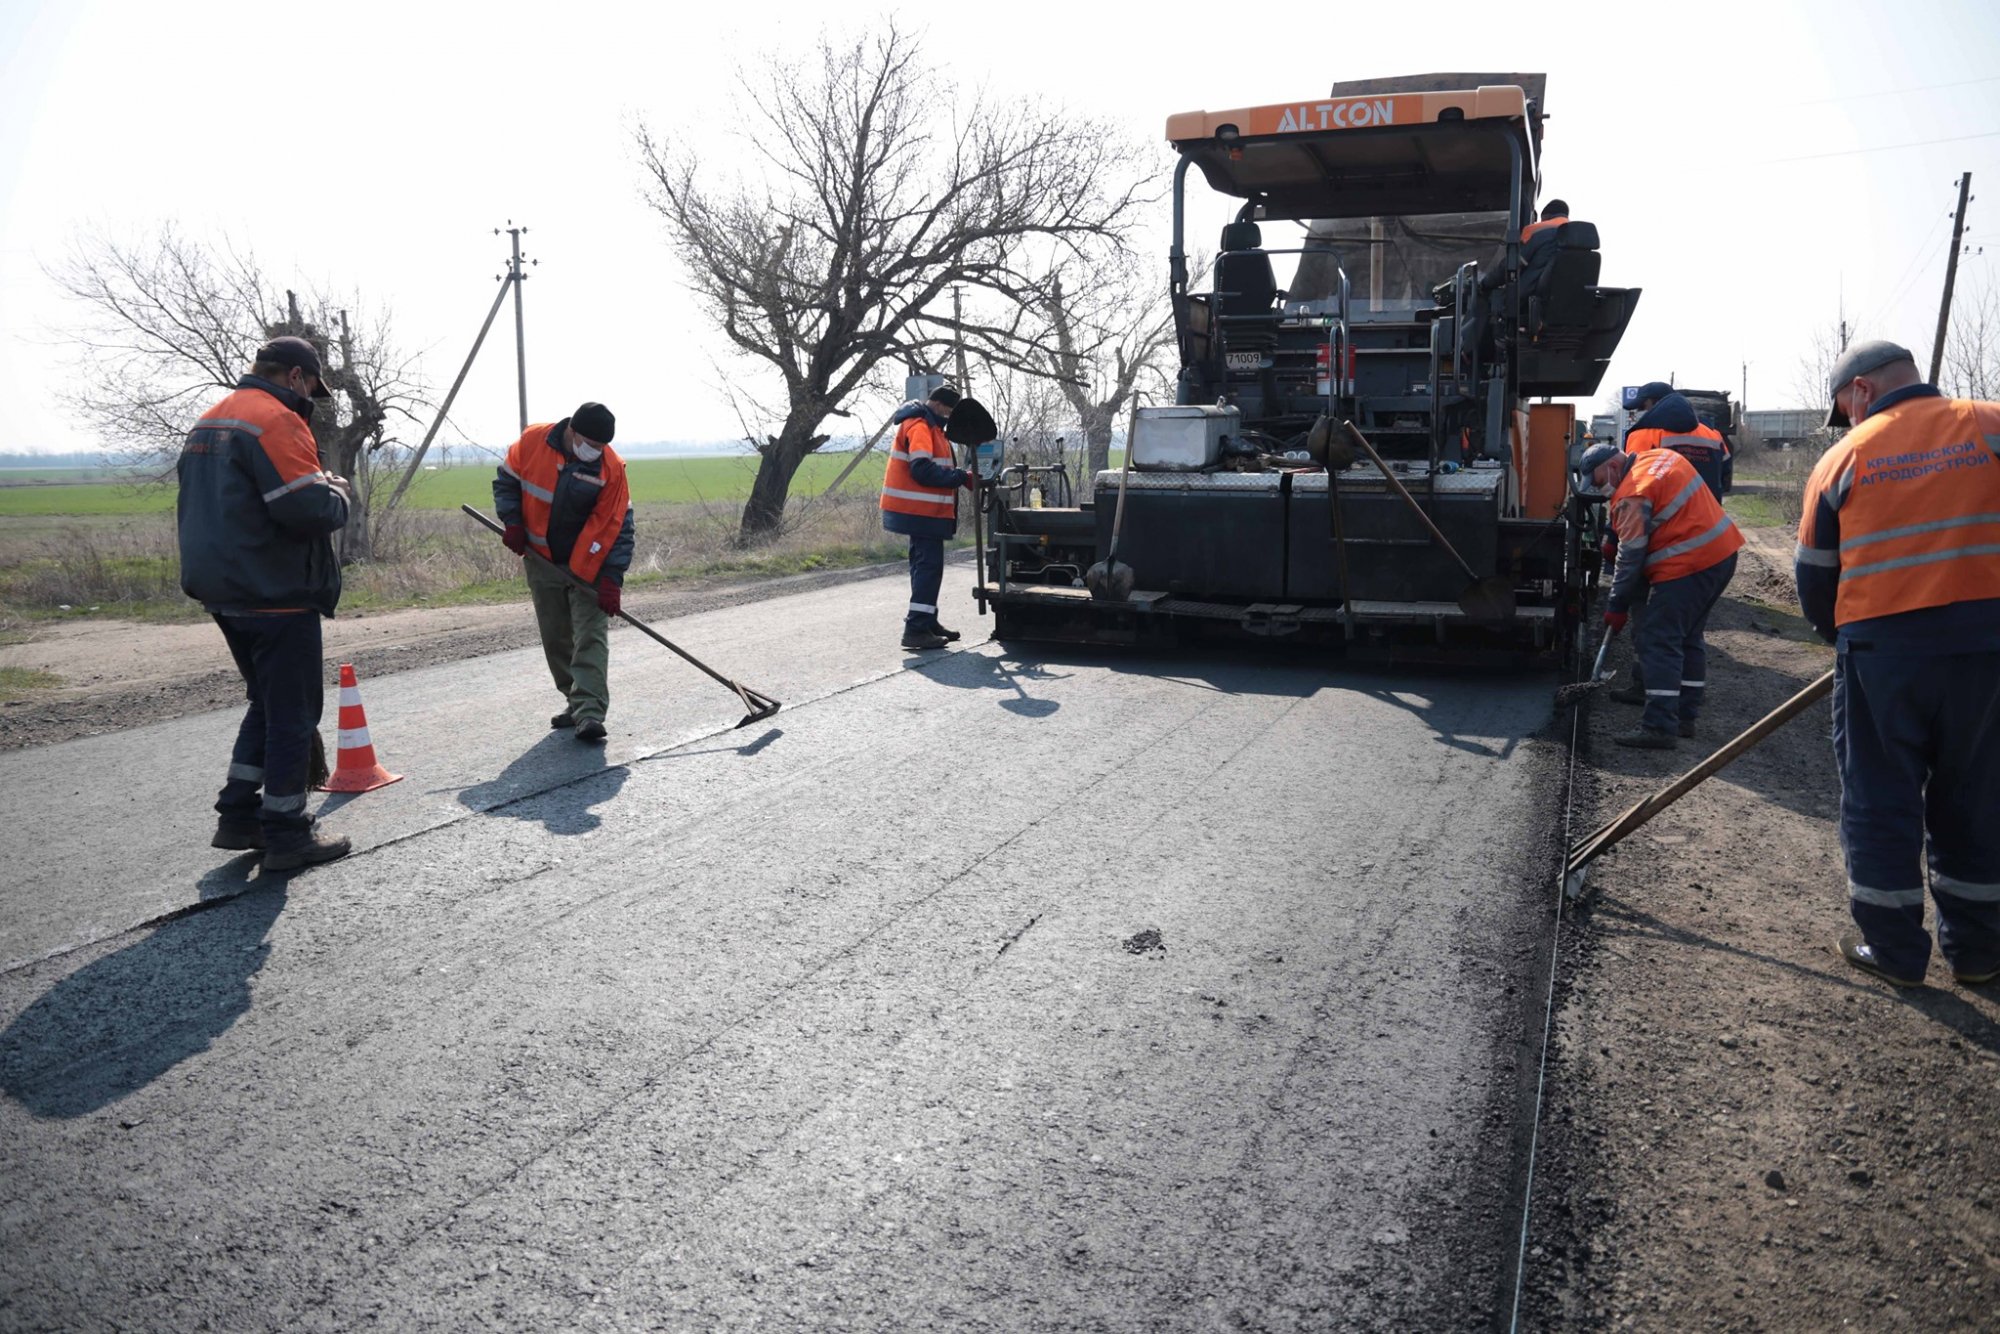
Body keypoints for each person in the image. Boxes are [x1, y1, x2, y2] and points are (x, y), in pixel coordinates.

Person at [1795, 339, 2000, 988]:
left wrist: (1841, 638)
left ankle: (1893, 953)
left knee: (1880, 798)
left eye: (1843, 409)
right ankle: (1979, 954)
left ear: (1861, 391)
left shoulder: (1846, 457)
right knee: (1978, 796)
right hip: (1987, 651)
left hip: (1880, 655)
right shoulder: (1990, 425)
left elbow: (1815, 577)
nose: (1847, 420)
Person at [177, 335, 353, 871]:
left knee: (268, 703)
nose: (309, 399)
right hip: (273, 590)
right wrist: (338, 490)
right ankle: (286, 831)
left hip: (223, 588)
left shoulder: (213, 418)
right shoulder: (275, 420)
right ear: (297, 377)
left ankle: (237, 814)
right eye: (310, 388)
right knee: (295, 713)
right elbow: (305, 509)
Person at [1579, 441, 1742, 748]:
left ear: (1612, 467)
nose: (1601, 489)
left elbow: (1630, 559)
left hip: (1689, 562)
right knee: (1688, 636)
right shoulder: (1659, 457)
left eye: (1599, 481)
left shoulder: (1631, 493)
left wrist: (1616, 604)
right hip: (1722, 553)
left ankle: (1659, 727)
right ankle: (1683, 716)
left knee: (1659, 638)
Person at [493, 402, 633, 742]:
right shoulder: (532, 442)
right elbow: (506, 483)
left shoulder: (610, 468)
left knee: (589, 636)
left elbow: (619, 525)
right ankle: (574, 699)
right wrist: (512, 521)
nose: (596, 451)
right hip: (542, 560)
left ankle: (590, 712)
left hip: (590, 565)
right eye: (592, 444)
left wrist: (612, 579)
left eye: (601, 447)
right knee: (555, 635)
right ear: (573, 431)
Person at [880, 385, 977, 650]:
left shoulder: (931, 427)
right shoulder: (920, 426)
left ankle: (927, 621)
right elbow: (922, 469)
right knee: (928, 569)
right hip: (919, 513)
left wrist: (960, 476)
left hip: (921, 513)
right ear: (940, 407)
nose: (950, 419)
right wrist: (960, 477)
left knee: (924, 568)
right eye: (950, 412)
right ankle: (916, 628)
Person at [1622, 380, 1730, 499]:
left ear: (1657, 403)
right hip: (1709, 513)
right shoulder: (1713, 434)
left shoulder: (1643, 435)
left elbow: (1634, 482)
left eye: (1642, 407)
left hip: (1666, 515)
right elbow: (1725, 475)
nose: (1639, 412)